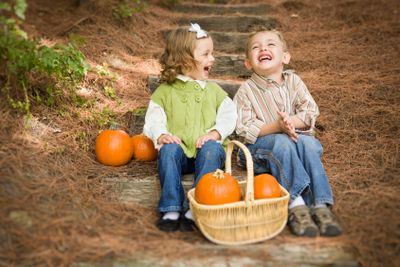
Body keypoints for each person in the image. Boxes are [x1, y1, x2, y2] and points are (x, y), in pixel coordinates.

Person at [233, 27, 342, 237]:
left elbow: (310, 111)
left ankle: (320, 207)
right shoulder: (246, 91)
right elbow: (244, 128)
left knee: (308, 143)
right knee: (282, 142)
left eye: (270, 44)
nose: (263, 48)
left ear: (285, 57)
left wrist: (291, 121)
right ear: (248, 63)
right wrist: (277, 126)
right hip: (260, 150)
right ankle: (297, 205)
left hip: (295, 141)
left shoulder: (294, 81)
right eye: (256, 47)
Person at [143, 23, 237, 232]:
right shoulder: (165, 92)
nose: (212, 59)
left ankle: (196, 207)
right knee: (168, 151)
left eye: (211, 54)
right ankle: (171, 208)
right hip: (181, 153)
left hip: (207, 154)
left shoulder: (214, 91)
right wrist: (162, 135)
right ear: (185, 60)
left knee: (212, 148)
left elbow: (230, 115)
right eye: (206, 54)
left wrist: (215, 133)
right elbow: (154, 119)